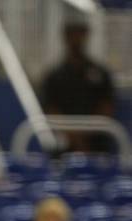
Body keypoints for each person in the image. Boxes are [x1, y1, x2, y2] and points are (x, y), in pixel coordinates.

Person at [41, 20, 115, 152]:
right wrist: (73, 137)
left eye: (80, 34)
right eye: (72, 34)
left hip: (96, 145)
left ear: (86, 36)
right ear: (65, 37)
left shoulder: (101, 74)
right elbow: (51, 110)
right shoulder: (53, 77)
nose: (76, 39)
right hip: (63, 147)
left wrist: (85, 135)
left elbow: (106, 107)